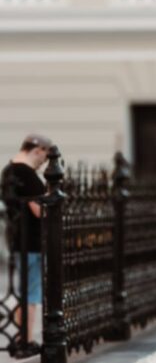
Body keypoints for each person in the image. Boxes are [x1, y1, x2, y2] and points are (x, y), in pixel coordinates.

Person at [0, 134, 51, 344]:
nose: (44, 163)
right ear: (38, 150)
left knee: (24, 291)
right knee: (32, 293)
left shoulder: (8, 171)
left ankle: (22, 336)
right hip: (33, 241)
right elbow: (38, 210)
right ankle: (26, 340)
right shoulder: (28, 175)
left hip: (16, 239)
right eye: (44, 157)